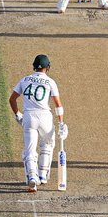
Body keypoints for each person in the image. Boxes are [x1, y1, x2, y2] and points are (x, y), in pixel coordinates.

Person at [9, 54, 67, 193]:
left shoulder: (24, 80)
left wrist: (18, 115)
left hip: (29, 117)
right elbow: (58, 105)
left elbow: (12, 99)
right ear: (48, 67)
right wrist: (61, 123)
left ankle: (33, 178)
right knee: (47, 145)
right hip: (45, 117)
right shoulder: (50, 82)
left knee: (30, 149)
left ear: (34, 66)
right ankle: (42, 174)